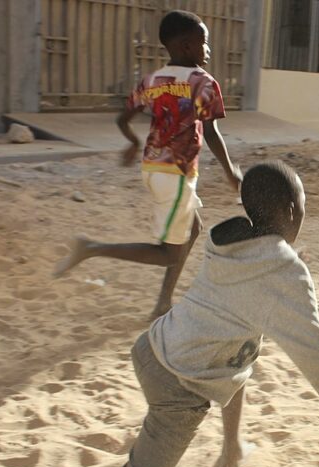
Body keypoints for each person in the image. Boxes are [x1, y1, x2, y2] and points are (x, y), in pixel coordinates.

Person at [76, 162, 319, 467]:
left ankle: (232, 447)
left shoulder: (233, 241)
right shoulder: (282, 272)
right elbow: (318, 356)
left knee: (239, 358)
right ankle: (220, 452)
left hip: (154, 345)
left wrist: (287, 262)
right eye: (304, 206)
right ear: (291, 211)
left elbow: (261, 274)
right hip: (179, 386)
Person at [54, 10, 241, 319]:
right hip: (177, 174)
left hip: (154, 169)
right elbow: (210, 131)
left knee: (193, 228)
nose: (208, 50)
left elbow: (123, 118)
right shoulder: (203, 83)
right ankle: (90, 248)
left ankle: (163, 303)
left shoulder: (152, 80)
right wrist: (230, 171)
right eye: (203, 43)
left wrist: (132, 142)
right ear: (185, 46)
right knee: (168, 253)